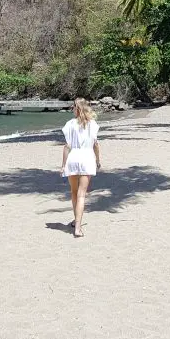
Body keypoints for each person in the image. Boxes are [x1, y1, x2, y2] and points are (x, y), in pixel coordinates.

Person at [60, 98, 101, 238]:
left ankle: (76, 220)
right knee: (82, 194)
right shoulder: (92, 124)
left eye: (73, 107)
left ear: (76, 109)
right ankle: (78, 227)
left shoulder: (70, 124)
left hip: (73, 157)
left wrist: (63, 165)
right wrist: (98, 160)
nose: (72, 109)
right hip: (87, 158)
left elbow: (67, 146)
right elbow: (95, 144)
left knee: (73, 192)